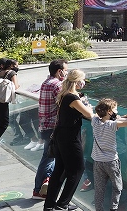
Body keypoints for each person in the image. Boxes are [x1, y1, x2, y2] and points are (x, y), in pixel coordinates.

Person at [44, 69, 93, 211]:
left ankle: (49, 205)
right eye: (82, 80)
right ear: (77, 81)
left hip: (61, 135)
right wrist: (87, 106)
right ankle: (62, 203)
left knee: (60, 169)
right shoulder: (72, 97)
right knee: (77, 169)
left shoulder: (65, 95)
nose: (84, 83)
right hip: (69, 138)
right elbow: (89, 114)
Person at [32, 59, 68, 200]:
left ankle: (44, 187)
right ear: (59, 71)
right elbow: (66, 104)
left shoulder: (46, 82)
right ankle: (39, 190)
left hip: (45, 125)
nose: (66, 73)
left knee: (49, 157)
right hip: (53, 127)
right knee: (49, 158)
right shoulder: (57, 85)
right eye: (66, 70)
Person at [91, 98, 127, 211]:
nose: (117, 111)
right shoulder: (112, 125)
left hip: (97, 160)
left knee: (99, 189)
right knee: (117, 187)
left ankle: (99, 209)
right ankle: (113, 208)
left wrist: (114, 116)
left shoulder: (95, 122)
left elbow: (95, 115)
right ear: (110, 111)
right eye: (115, 109)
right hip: (111, 161)